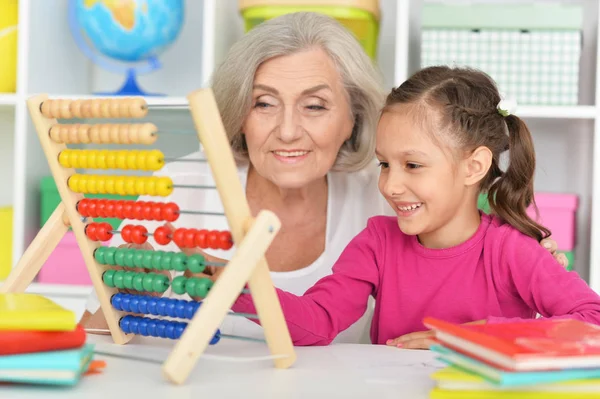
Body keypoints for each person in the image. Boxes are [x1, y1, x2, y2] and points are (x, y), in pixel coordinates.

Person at [80, 13, 566, 343]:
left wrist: (522, 274)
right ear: (239, 115)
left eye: (315, 106)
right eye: (264, 103)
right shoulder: (170, 195)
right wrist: (133, 293)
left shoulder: (390, 210)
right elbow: (93, 339)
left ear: (353, 119)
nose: (288, 130)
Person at [228, 65, 600, 349]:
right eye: (384, 164)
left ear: (474, 166)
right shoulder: (377, 243)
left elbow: (592, 321)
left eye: (413, 165)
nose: (390, 185)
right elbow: (320, 320)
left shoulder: (510, 251)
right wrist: (238, 290)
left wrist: (471, 337)